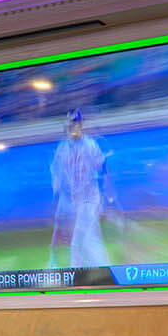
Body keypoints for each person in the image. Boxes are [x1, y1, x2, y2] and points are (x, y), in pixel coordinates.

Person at [48, 109, 109, 268]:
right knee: (87, 238)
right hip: (75, 201)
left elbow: (102, 166)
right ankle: (98, 269)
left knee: (81, 241)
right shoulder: (63, 147)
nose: (74, 126)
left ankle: (83, 270)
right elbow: (57, 172)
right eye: (71, 123)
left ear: (81, 125)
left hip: (89, 199)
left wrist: (105, 197)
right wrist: (57, 195)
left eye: (76, 123)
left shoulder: (89, 144)